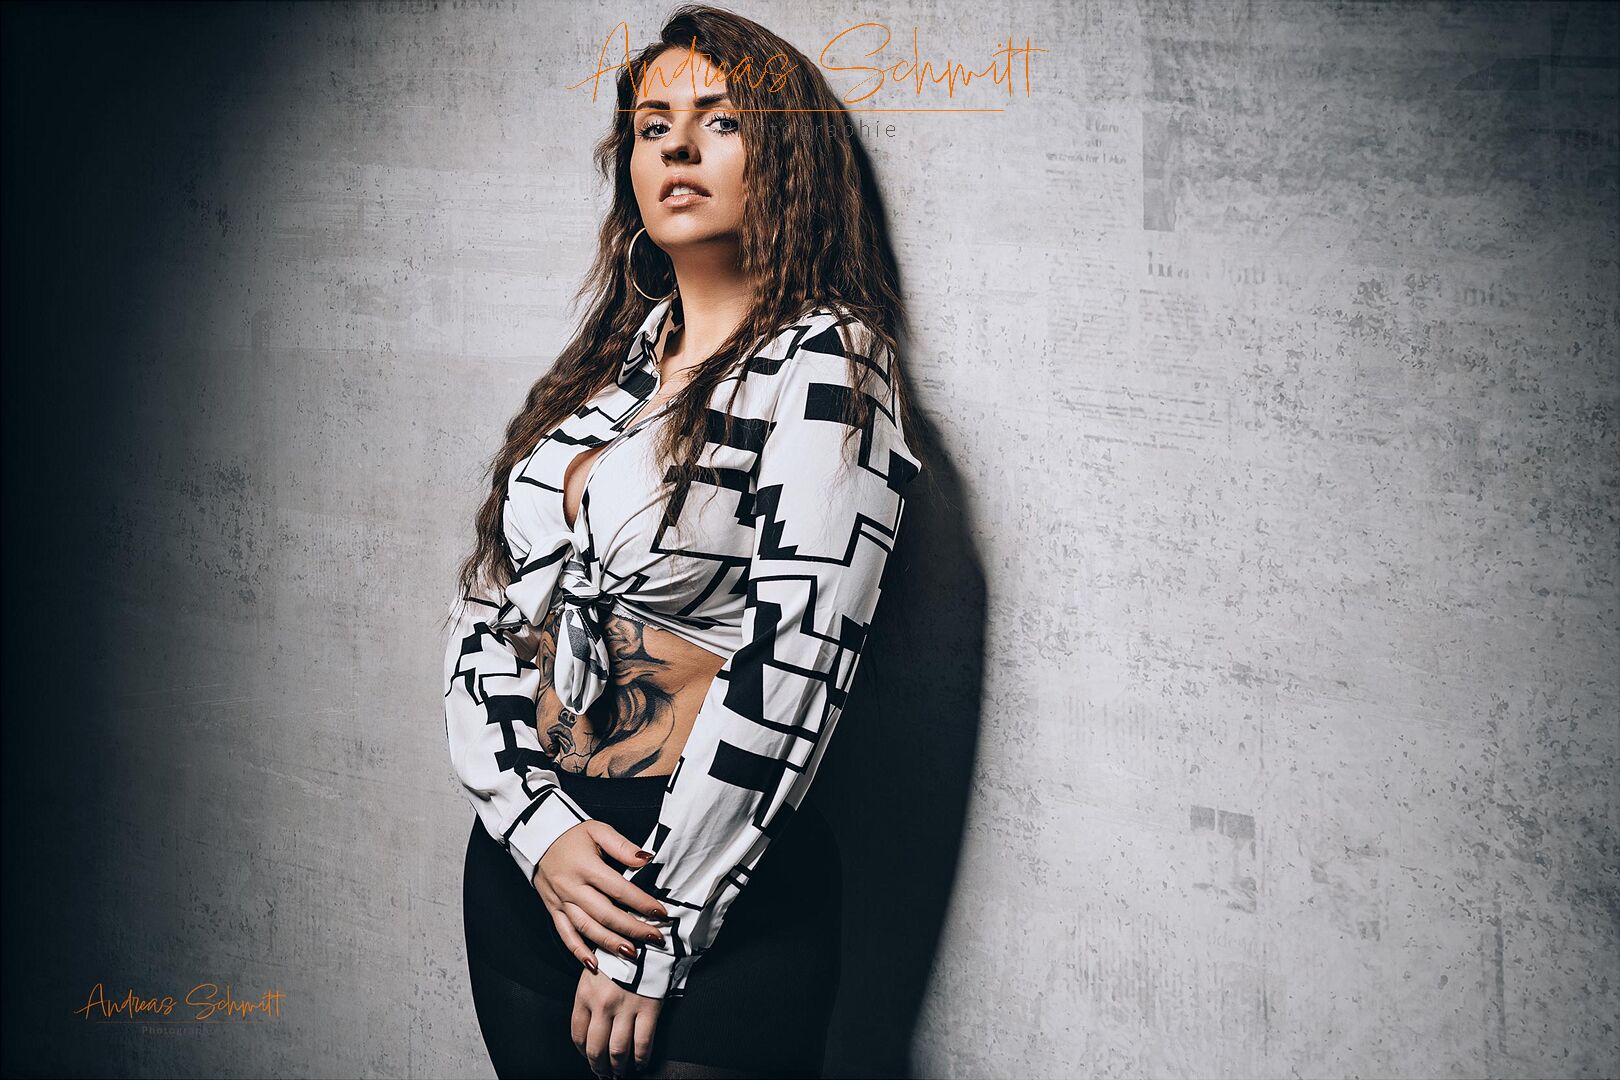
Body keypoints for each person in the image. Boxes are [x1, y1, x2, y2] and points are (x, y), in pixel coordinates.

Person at [442, 6, 926, 1077]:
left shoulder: (828, 363)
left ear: (786, 155)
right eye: (653, 127)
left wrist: (659, 933)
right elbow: (486, 618)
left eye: (721, 119)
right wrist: (532, 827)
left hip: (708, 891)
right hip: (534, 872)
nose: (678, 147)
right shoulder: (601, 377)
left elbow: (795, 665)